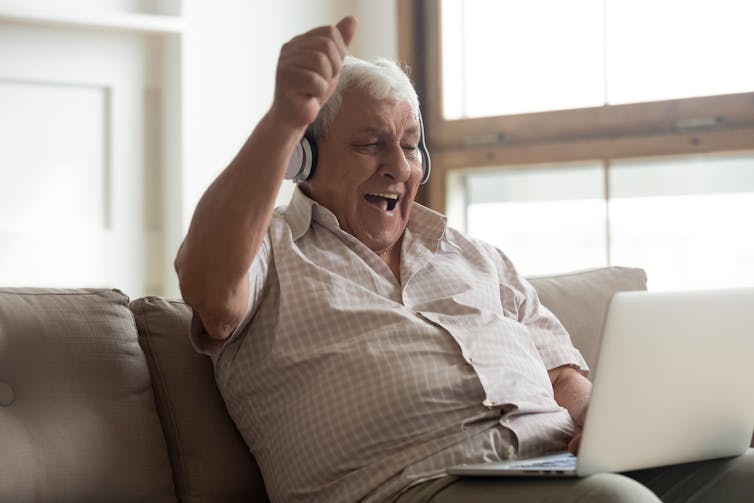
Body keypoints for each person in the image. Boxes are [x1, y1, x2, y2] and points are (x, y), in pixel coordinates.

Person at [175, 15, 754, 503]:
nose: (399, 168)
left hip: (553, 468)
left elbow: (561, 372)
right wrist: (283, 118)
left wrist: (601, 423)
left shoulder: (475, 256)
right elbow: (210, 291)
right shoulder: (271, 251)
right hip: (417, 485)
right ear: (304, 157)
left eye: (408, 145)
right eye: (369, 142)